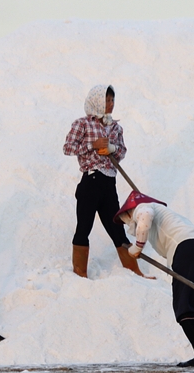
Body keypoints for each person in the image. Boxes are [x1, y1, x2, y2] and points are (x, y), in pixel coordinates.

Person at [114, 191, 194, 367]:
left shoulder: (142, 207)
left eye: (125, 218)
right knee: (193, 303)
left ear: (129, 211)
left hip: (188, 249)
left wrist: (137, 247)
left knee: (184, 307)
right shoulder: (166, 214)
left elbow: (145, 217)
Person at [63, 84, 149, 279]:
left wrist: (112, 149)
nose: (110, 104)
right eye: (106, 100)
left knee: (117, 229)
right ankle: (80, 273)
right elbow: (68, 148)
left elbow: (122, 152)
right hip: (91, 181)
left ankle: (134, 271)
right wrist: (92, 145)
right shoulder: (83, 124)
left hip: (109, 184)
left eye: (112, 100)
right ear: (96, 101)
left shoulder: (116, 127)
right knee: (84, 227)